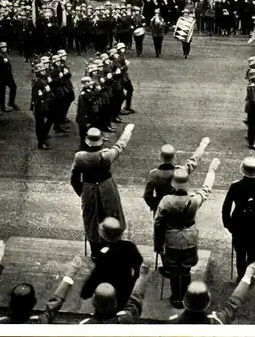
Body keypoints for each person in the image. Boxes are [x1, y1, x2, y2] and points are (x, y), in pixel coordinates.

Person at [154, 158, 220, 309]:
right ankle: (185, 297)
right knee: (186, 269)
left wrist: (158, 244)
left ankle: (176, 298)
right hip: (190, 237)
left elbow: (158, 223)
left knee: (173, 269)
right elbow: (206, 189)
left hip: (172, 239)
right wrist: (211, 171)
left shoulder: (165, 201)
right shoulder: (194, 200)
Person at [70, 124, 134, 260]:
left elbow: (74, 178)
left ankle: (95, 250)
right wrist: (127, 131)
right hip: (107, 187)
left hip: (89, 188)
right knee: (111, 213)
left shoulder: (80, 157)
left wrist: (82, 191)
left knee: (91, 218)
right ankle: (111, 244)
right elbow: (120, 146)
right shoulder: (106, 156)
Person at [170, 248, 255, 323]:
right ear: (208, 302)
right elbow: (234, 303)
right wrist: (248, 274)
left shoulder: (172, 323)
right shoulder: (217, 321)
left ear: (184, 301)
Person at [222, 157, 255, 283]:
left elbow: (226, 207)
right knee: (253, 253)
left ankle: (241, 275)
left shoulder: (235, 186)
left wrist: (228, 224)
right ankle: (249, 275)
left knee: (240, 252)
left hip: (239, 224)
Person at [0, 256, 82, 324]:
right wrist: (71, 273)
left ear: (11, 304)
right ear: (33, 303)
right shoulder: (40, 322)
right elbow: (54, 305)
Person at [80, 218, 143, 310]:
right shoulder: (129, 246)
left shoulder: (104, 254)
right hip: (126, 286)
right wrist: (135, 277)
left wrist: (86, 292)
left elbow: (96, 275)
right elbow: (139, 263)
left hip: (109, 290)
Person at [143, 138, 210, 214]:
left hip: (161, 210)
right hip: (178, 208)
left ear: (160, 157)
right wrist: (202, 146)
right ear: (174, 157)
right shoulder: (180, 171)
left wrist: (156, 205)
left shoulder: (154, 174)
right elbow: (193, 161)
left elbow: (147, 196)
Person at [79, 261, 151, 324]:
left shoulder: (85, 325)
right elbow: (135, 298)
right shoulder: (125, 320)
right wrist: (142, 274)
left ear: (94, 303)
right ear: (114, 302)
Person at [30, 62, 54, 150]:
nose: (44, 72)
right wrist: (45, 90)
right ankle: (41, 143)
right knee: (39, 124)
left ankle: (44, 135)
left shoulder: (44, 79)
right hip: (39, 105)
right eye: (41, 71)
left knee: (51, 118)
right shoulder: (37, 83)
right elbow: (37, 96)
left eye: (44, 70)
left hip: (45, 105)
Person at [0, 42, 18, 111]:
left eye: (5, 47)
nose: (4, 48)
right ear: (0, 48)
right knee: (5, 91)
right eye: (3, 47)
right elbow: (0, 68)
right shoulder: (0, 56)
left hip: (6, 75)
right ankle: (5, 105)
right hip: (3, 76)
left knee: (3, 92)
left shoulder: (4, 54)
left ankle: (2, 107)